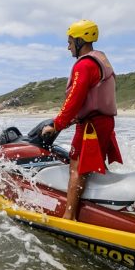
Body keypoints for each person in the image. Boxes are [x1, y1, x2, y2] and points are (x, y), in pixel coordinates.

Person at [42, 19, 123, 220]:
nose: (68, 46)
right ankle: (99, 210)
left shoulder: (85, 65)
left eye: (70, 41)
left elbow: (75, 98)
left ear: (80, 41)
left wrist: (56, 124)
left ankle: (69, 216)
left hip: (91, 126)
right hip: (104, 123)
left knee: (76, 168)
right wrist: (70, 121)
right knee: (95, 166)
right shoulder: (102, 62)